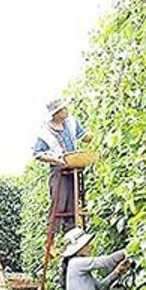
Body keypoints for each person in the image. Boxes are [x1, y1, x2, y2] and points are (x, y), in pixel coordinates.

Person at [33, 97, 94, 231]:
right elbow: (38, 154)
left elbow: (83, 136)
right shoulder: (45, 131)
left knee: (73, 205)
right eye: (63, 109)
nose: (67, 110)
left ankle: (72, 239)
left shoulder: (72, 122)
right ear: (55, 114)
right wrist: (55, 160)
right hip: (58, 170)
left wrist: (94, 135)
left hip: (74, 167)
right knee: (59, 203)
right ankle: (52, 238)